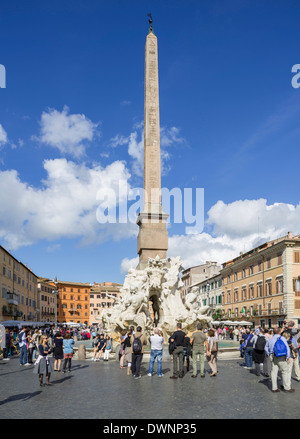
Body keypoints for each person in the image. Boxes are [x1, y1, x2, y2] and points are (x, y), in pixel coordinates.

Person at [265, 326, 294, 393]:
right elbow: (287, 348)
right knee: (284, 371)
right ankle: (287, 388)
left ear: (273, 332)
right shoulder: (282, 338)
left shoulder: (270, 339)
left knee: (274, 371)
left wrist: (269, 354)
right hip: (281, 356)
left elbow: (265, 348)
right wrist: (288, 357)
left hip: (273, 355)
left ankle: (274, 388)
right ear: (280, 332)